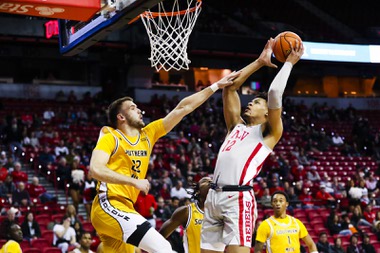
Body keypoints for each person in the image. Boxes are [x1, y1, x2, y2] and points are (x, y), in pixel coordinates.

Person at [89, 70, 241, 253]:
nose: (138, 109)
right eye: (132, 107)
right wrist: (133, 181)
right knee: (163, 248)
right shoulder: (111, 136)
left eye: (137, 106)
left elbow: (183, 108)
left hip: (124, 208)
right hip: (109, 204)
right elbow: (95, 169)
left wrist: (216, 86)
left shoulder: (148, 134)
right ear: (120, 117)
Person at [201, 38, 304, 253]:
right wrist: (259, 61)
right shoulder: (235, 127)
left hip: (237, 199)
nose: (250, 102)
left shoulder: (269, 132)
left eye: (257, 102)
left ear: (267, 113)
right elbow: (230, 87)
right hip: (213, 197)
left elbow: (275, 93)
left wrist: (288, 64)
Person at [159, 177, 212, 253]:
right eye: (205, 181)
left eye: (211, 181)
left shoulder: (219, 212)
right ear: (197, 191)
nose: (209, 182)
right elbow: (160, 236)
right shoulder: (186, 212)